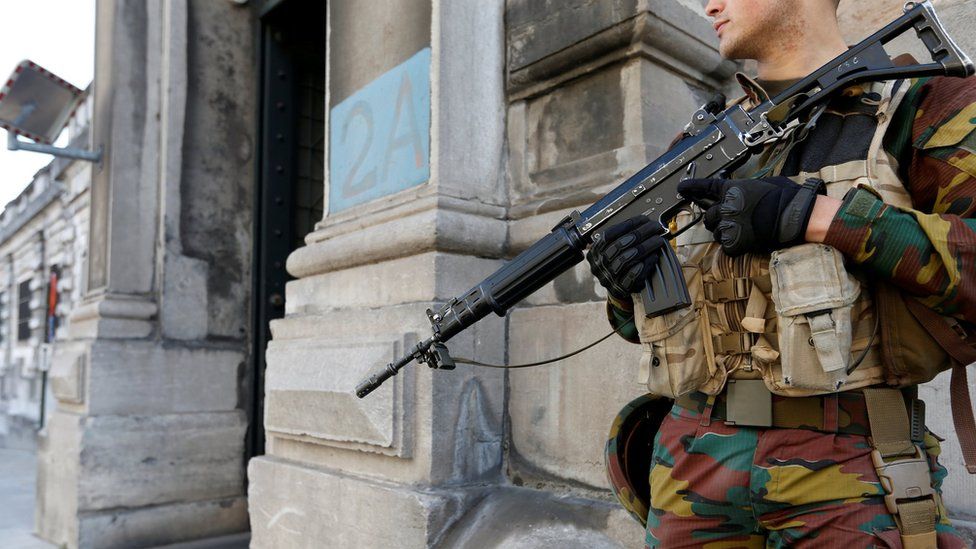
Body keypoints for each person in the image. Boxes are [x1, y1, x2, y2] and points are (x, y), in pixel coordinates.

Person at [589, 0, 976, 546]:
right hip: (690, 462)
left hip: (852, 466)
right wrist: (624, 286)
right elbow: (650, 324)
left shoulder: (922, 103)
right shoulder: (697, 148)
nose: (710, 5)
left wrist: (820, 218)